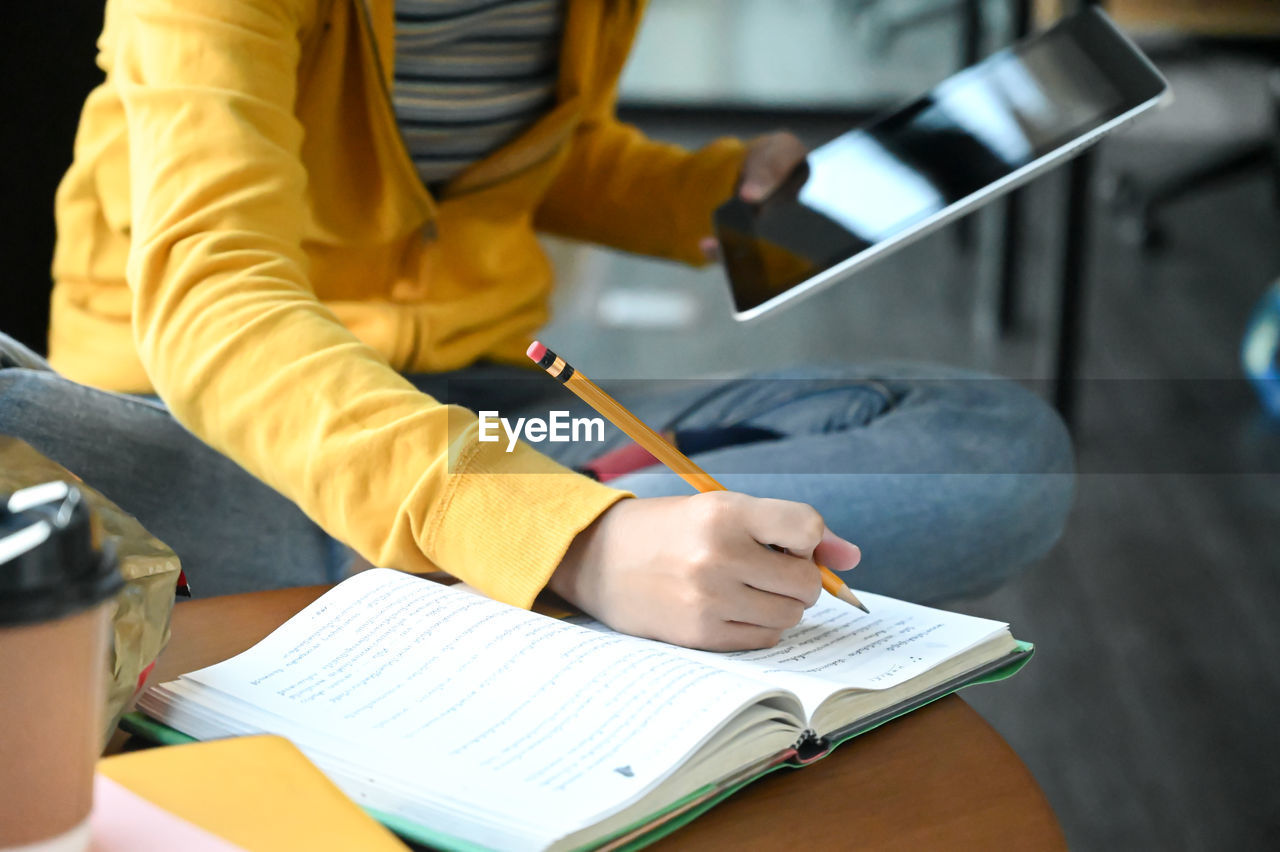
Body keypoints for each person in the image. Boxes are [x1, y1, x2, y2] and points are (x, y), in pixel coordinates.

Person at [0, 0, 1073, 651]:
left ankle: (463, 573)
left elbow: (524, 150)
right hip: (225, 421)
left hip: (489, 404)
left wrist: (706, 196)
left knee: (994, 450)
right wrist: (574, 539)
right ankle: (541, 555)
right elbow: (213, 300)